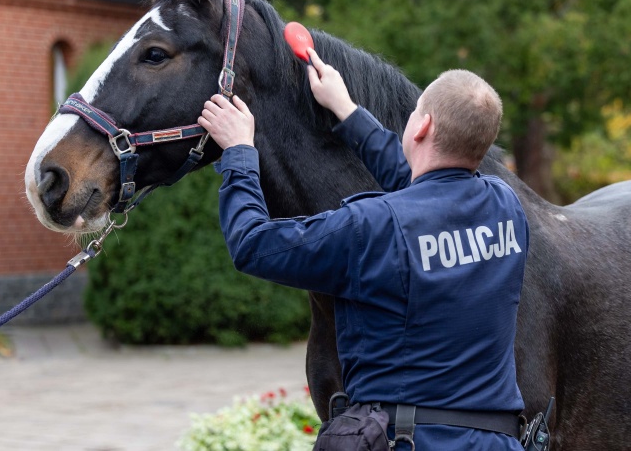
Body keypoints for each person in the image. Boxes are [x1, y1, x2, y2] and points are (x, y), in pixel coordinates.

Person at [198, 48, 528, 450]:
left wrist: (239, 153)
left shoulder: (373, 226)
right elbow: (422, 183)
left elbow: (253, 244)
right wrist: (346, 109)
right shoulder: (507, 208)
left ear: (421, 126)